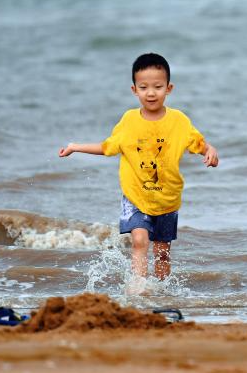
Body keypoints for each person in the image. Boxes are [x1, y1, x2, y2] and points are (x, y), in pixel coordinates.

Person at [58, 53, 219, 288]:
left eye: (157, 86)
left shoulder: (179, 121)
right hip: (136, 195)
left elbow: (199, 144)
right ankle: (138, 289)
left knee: (162, 253)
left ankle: (163, 292)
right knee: (140, 240)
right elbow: (108, 147)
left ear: (169, 88)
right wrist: (75, 147)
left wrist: (210, 151)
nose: (151, 93)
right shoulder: (129, 120)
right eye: (144, 87)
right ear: (135, 90)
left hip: (167, 198)